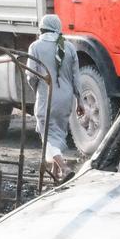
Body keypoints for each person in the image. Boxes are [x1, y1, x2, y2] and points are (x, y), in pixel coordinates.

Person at [26, 14, 82, 179]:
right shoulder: (69, 47)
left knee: (47, 134)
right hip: (66, 98)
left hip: (48, 96)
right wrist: (80, 101)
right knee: (58, 132)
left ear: (42, 29)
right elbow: (76, 77)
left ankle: (64, 168)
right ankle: (55, 174)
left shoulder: (35, 47)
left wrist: (36, 89)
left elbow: (31, 76)